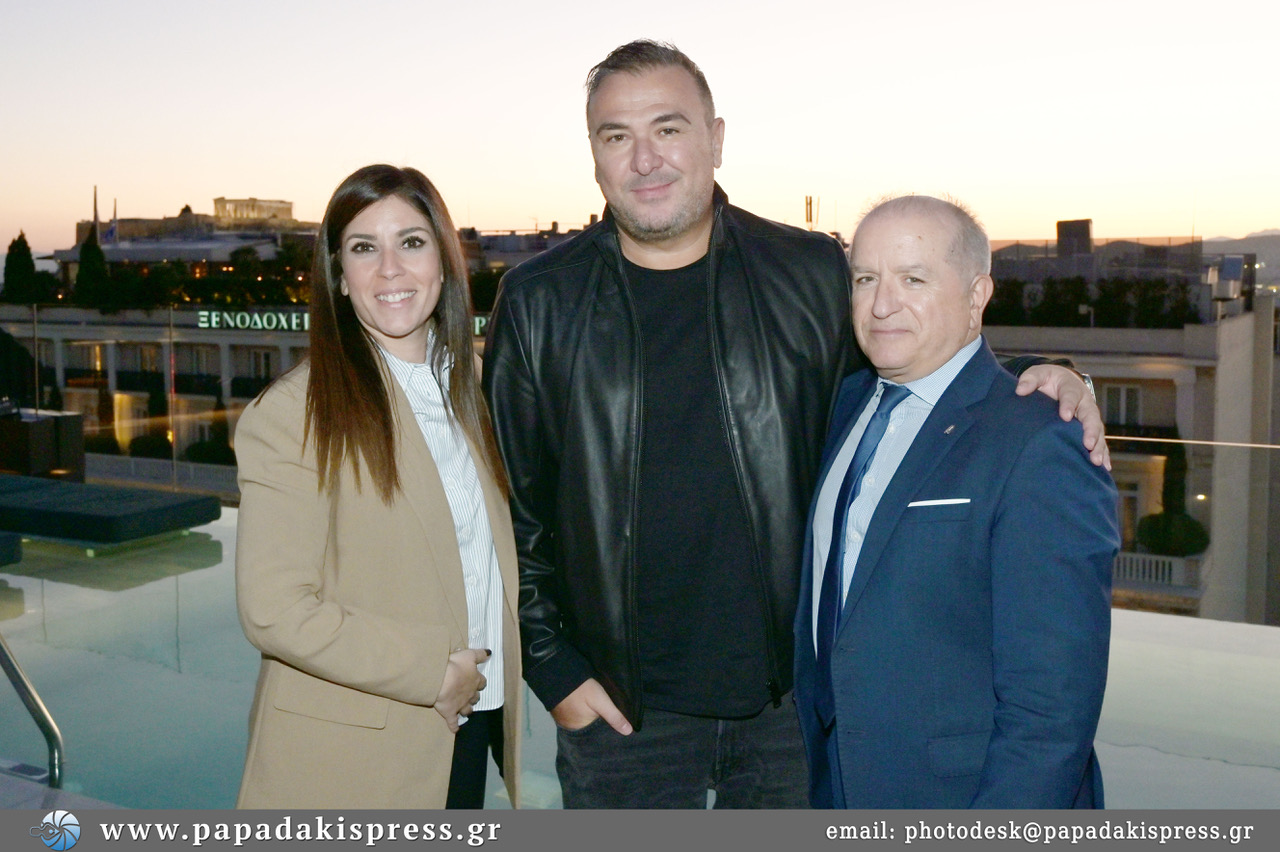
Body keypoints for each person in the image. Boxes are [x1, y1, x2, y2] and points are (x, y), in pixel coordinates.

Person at [482, 40, 1105, 809]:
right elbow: (511, 505)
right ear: (594, 155)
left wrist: (1047, 375)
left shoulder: (806, 271)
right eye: (617, 136)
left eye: (668, 128)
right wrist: (554, 670)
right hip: (620, 714)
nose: (645, 159)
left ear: (715, 138)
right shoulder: (539, 301)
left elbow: (915, 357)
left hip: (795, 708)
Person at [794, 195, 1119, 809]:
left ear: (976, 296)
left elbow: (1052, 708)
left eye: (913, 280)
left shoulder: (1041, 442)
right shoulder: (842, 407)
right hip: (836, 785)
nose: (881, 304)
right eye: (865, 279)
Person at [234, 164, 521, 809]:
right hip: (357, 753)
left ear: (444, 262)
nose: (391, 269)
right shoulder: (294, 413)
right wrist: (432, 672)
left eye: (411, 242)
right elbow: (273, 608)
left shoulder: (479, 387)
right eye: (364, 248)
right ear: (339, 276)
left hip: (471, 726)